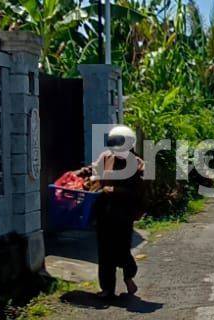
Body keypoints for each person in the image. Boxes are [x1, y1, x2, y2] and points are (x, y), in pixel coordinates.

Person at [91, 126, 146, 299]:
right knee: (104, 251)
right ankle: (107, 289)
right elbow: (92, 169)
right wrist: (80, 175)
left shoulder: (138, 163)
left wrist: (113, 190)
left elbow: (140, 191)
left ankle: (129, 275)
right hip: (104, 211)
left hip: (124, 213)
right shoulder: (106, 157)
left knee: (121, 249)